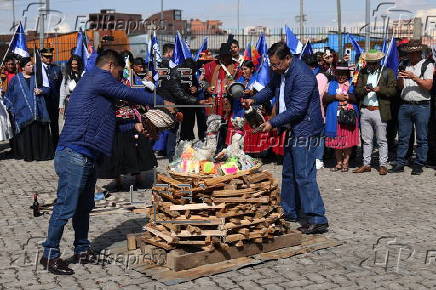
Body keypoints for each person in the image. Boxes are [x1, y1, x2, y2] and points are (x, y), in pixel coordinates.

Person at [40, 49, 163, 275]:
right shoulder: (98, 78)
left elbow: (110, 123)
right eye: (119, 72)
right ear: (110, 67)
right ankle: (50, 255)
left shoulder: (98, 91)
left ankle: (82, 250)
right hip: (74, 155)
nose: (119, 77)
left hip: (86, 157)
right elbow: (130, 93)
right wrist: (163, 102)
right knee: (66, 207)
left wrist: (134, 126)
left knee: (84, 208)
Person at [242, 42, 328, 235]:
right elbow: (270, 89)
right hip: (291, 129)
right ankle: (289, 211)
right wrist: (254, 99)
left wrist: (272, 123)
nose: (273, 68)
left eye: (276, 65)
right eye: (271, 65)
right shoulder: (279, 71)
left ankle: (317, 218)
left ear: (288, 58)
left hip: (305, 129)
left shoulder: (303, 76)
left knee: (304, 175)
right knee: (289, 172)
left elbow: (297, 108)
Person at [389, 40, 434, 175]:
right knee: (403, 137)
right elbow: (400, 87)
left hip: (422, 105)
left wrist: (413, 77)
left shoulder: (427, 65)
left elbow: (428, 86)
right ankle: (400, 162)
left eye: (412, 53)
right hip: (405, 105)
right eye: (408, 53)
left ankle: (419, 163)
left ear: (419, 53)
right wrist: (400, 78)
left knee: (421, 137)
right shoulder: (404, 65)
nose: (410, 56)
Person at [353, 50, 397, 175]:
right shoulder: (362, 72)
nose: (370, 65)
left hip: (379, 110)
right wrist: (365, 90)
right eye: (369, 63)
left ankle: (383, 165)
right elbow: (357, 91)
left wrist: (380, 89)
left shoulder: (387, 72)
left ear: (378, 62)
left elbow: (393, 91)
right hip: (365, 109)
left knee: (381, 140)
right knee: (366, 140)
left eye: (373, 63)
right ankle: (366, 164)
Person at [3, 57, 54, 161]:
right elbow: (9, 95)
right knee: (27, 134)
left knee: (38, 132)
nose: (32, 66)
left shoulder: (38, 77)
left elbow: (48, 89)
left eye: (32, 65)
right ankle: (28, 154)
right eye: (29, 65)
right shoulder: (15, 79)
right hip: (22, 113)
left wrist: (42, 91)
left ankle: (40, 155)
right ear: (22, 68)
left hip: (38, 111)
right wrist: (11, 108)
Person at [324, 61, 360, 172]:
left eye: (343, 74)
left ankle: (346, 162)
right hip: (335, 117)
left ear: (347, 74)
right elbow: (324, 99)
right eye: (339, 74)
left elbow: (357, 98)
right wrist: (335, 96)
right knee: (337, 141)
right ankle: (338, 162)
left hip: (348, 117)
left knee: (347, 142)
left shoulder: (352, 84)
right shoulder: (330, 84)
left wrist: (348, 96)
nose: (341, 77)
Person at [302, 54, 329, 169]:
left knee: (318, 136)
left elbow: (319, 94)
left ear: (311, 67)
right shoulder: (303, 76)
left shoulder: (321, 77)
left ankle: (319, 158)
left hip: (318, 111)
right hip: (304, 112)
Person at [40, 47, 63, 147]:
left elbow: (61, 86)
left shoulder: (57, 68)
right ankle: (45, 146)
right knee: (43, 125)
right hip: (42, 101)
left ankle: (55, 144)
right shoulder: (37, 69)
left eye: (50, 56)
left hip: (54, 101)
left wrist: (60, 102)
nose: (49, 58)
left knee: (54, 125)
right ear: (41, 57)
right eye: (46, 57)